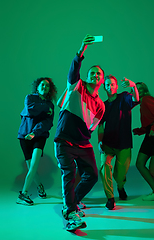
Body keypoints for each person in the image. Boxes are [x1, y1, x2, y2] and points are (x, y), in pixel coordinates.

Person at [54, 34, 105, 231]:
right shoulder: (76, 86)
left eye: (99, 74)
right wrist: (81, 50)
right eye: (92, 73)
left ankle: (71, 202)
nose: (95, 75)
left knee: (92, 175)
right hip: (64, 141)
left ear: (102, 79)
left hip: (83, 144)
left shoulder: (100, 105)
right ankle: (70, 214)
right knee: (69, 173)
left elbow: (92, 127)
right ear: (87, 75)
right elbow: (74, 69)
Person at [97, 75, 139, 210]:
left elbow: (136, 99)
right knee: (104, 167)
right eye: (107, 85)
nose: (110, 87)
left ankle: (120, 186)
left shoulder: (124, 97)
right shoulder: (103, 105)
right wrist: (99, 141)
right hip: (108, 143)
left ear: (116, 86)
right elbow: (101, 125)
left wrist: (133, 86)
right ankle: (110, 198)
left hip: (124, 143)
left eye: (112, 84)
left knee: (119, 175)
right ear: (104, 87)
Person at [16, 77, 57, 206]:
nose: (45, 87)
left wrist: (34, 133)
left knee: (33, 166)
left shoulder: (51, 104)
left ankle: (23, 194)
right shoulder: (30, 98)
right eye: (42, 85)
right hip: (24, 136)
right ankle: (39, 186)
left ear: (50, 89)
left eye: (47, 86)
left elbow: (47, 123)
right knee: (30, 167)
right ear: (37, 87)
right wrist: (44, 108)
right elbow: (30, 109)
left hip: (39, 136)